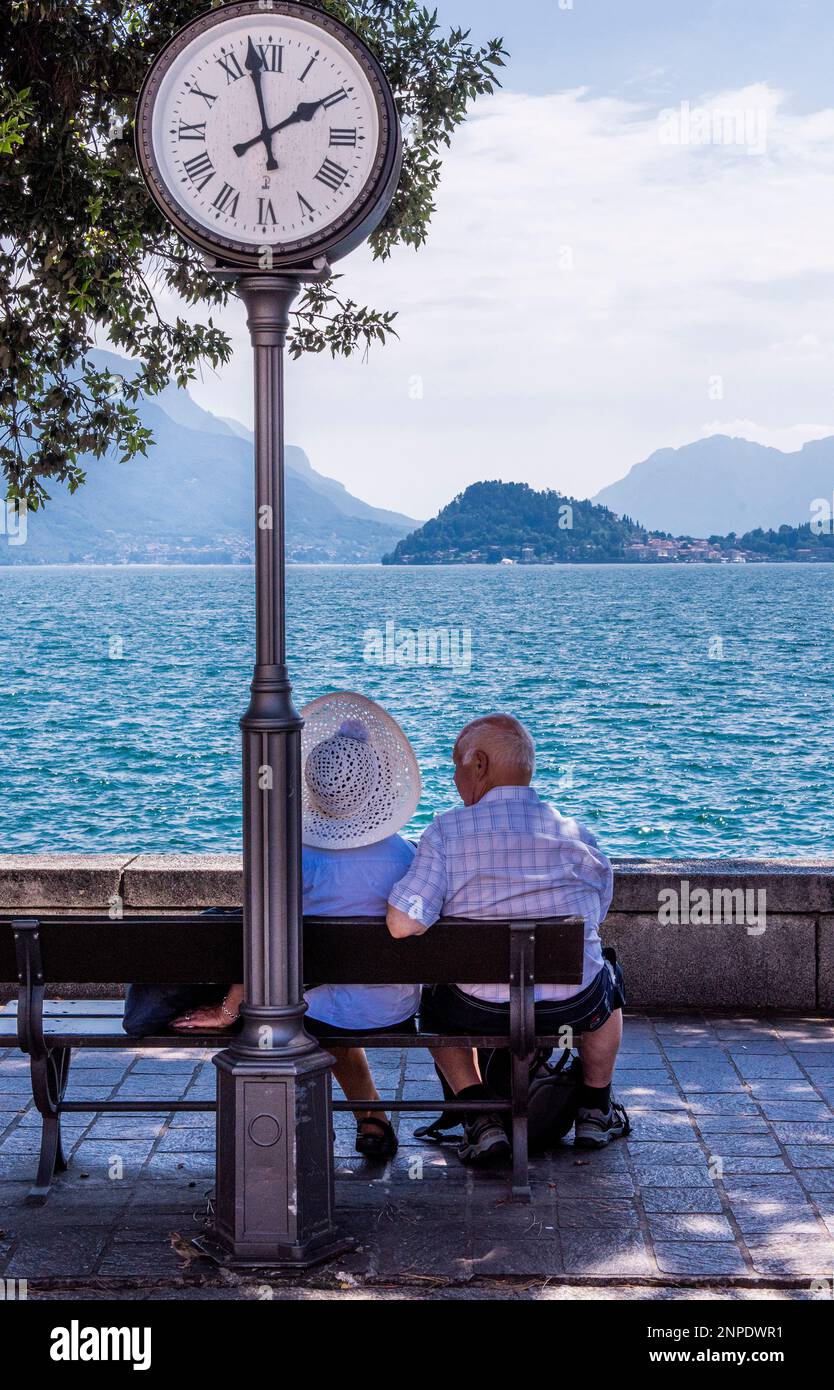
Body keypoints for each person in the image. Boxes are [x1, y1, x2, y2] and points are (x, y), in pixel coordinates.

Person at [124, 691, 423, 1161]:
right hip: (393, 1005)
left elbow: (263, 942)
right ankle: (373, 1117)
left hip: (315, 1008)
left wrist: (229, 1007)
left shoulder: (293, 856)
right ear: (382, 782)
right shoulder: (408, 856)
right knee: (325, 997)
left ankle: (294, 1131)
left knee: (288, 1008)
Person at [386, 713, 626, 1167]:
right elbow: (595, 916)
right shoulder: (579, 836)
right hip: (571, 1004)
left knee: (435, 1002)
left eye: (456, 766)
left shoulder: (446, 833)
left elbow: (402, 924)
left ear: (479, 765)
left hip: (478, 1006)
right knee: (608, 978)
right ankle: (596, 1110)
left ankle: (480, 1117)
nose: (455, 778)